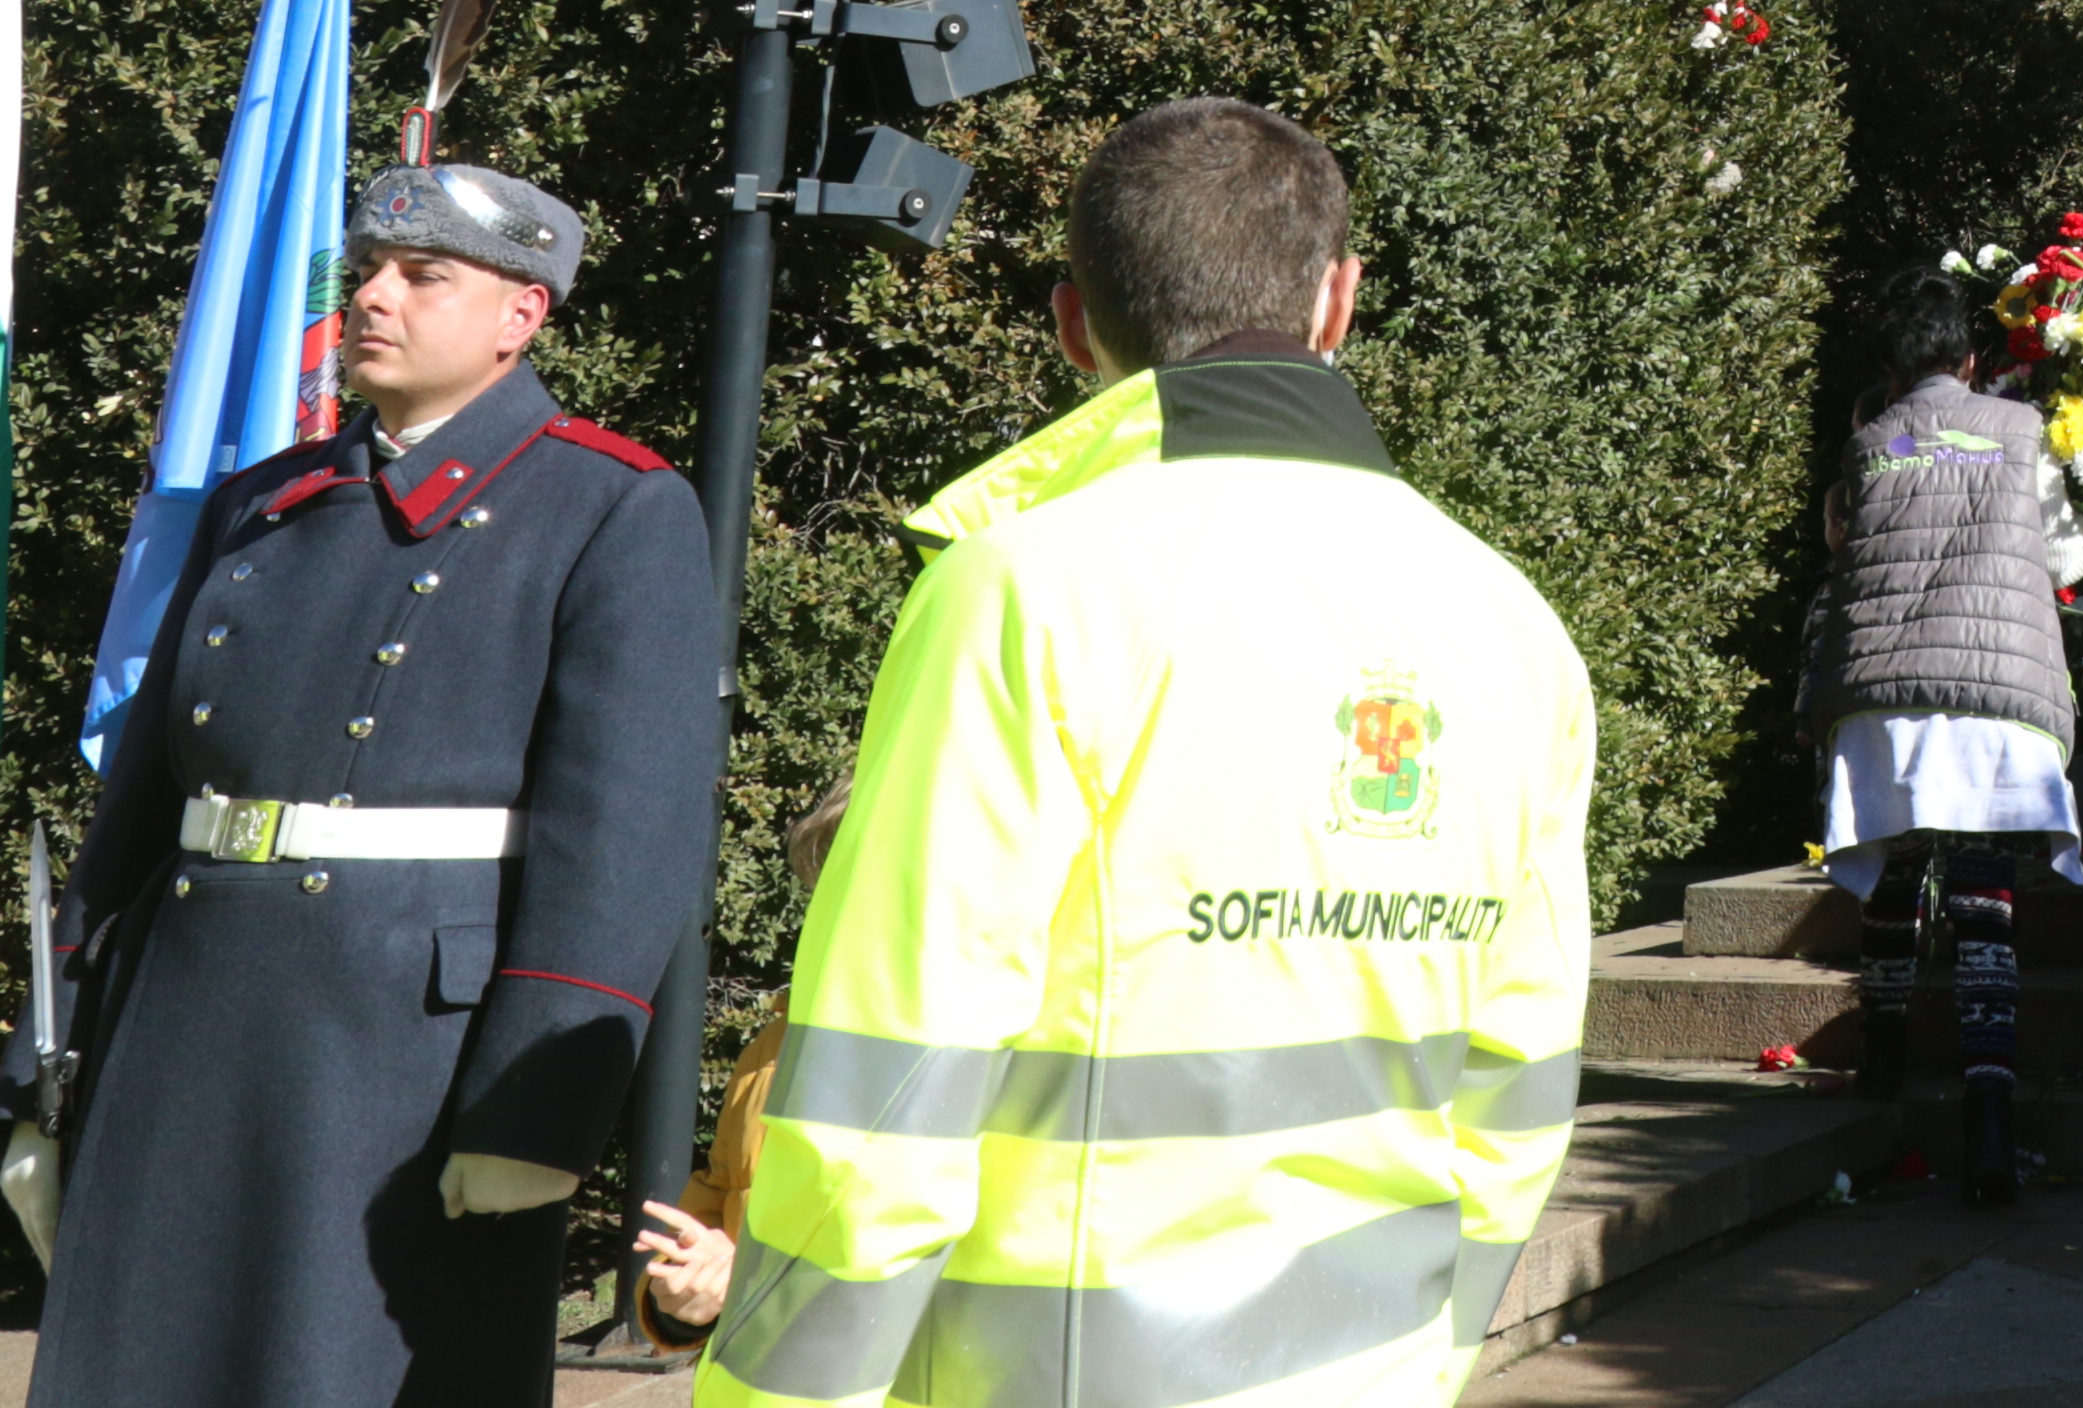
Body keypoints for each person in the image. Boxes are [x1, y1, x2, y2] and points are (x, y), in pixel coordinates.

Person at [696, 99, 1596, 1408]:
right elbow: (1518, 1087)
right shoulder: (1515, 627)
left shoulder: (1025, 590)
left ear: (1074, 325)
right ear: (1337, 302)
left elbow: (887, 1101)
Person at [29, 159, 715, 1406]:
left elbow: (622, 835)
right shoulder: (261, 502)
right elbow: (142, 797)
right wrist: (53, 1021)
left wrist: (539, 1109)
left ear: (522, 315)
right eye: (368, 274)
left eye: (424, 276)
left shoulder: (610, 505)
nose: (376, 299)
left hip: (406, 1056)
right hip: (185, 1016)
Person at [1798, 272, 2083, 1203]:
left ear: (1893, 369)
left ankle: (1884, 1058)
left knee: (1892, 868)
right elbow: (2068, 553)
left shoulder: (1864, 446)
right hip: (1992, 697)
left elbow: (1843, 553)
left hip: (1882, 701)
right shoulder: (2023, 433)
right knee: (1980, 894)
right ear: (1971, 361)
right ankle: (1991, 1120)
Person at [625, 770, 855, 1356]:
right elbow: (718, 1202)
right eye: (836, 877)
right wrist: (680, 1300)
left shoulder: (1006, 1046)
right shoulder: (779, 1042)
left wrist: (753, 1270)